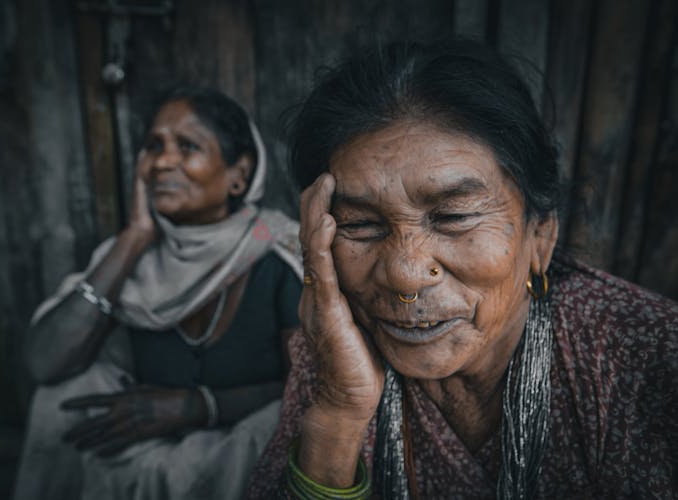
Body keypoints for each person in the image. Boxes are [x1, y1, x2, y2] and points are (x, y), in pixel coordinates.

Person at [246, 39, 678, 499]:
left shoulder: (645, 358)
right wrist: (339, 410)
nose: (405, 275)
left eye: (452, 218)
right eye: (359, 224)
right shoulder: (336, 351)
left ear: (541, 237)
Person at [13, 86, 303, 500]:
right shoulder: (131, 260)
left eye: (188, 146)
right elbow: (45, 364)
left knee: (282, 423)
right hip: (146, 442)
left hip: (237, 443)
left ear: (239, 175)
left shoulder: (280, 254)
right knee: (63, 393)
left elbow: (313, 391)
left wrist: (197, 406)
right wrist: (134, 238)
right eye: (153, 146)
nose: (163, 161)